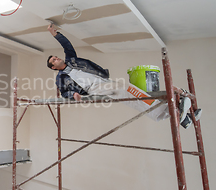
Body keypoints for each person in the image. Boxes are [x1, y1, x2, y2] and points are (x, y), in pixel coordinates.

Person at [46, 23, 200, 128]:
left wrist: (56, 35)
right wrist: (74, 94)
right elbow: (64, 92)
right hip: (94, 89)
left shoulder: (72, 60)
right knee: (129, 91)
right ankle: (171, 113)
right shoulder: (61, 78)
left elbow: (67, 46)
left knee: (133, 94)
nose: (56, 58)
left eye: (55, 56)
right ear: (54, 67)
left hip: (104, 82)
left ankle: (184, 118)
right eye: (53, 60)